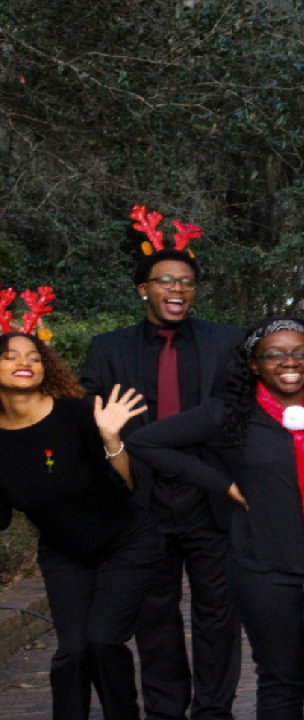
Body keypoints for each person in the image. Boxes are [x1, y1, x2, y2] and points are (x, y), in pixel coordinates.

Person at [80, 206, 304, 720]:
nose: (178, 288)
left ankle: (214, 710)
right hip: (143, 495)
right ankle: (165, 709)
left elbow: (273, 376)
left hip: (216, 493)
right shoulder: (107, 349)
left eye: (188, 282)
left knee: (219, 613)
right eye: (166, 280)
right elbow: (88, 412)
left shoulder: (228, 341)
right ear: (144, 290)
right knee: (154, 613)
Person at [128, 317, 304, 720]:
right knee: (280, 683)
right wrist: (220, 483)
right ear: (253, 364)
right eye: (275, 354)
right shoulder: (228, 414)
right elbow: (145, 442)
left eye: (302, 353)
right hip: (262, 571)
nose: (290, 362)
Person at [0, 287, 163, 720]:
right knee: (72, 650)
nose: (25, 363)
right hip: (64, 554)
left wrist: (110, 438)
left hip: (127, 543)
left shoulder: (78, 414)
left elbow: (124, 485)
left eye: (34, 357)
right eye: (11, 356)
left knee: (103, 641)